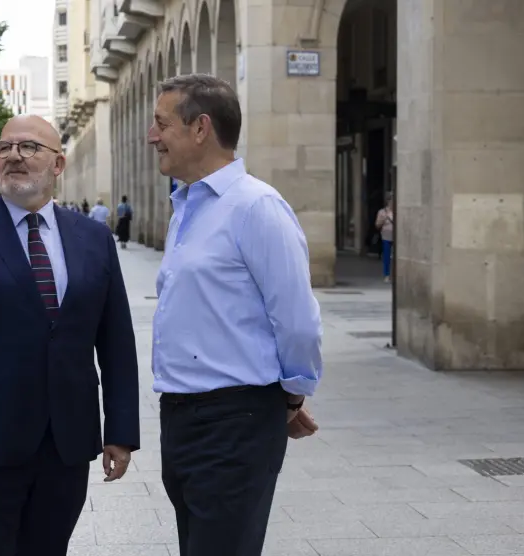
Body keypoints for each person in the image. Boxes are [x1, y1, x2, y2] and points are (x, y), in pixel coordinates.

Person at [0, 114, 140, 556]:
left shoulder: (94, 239)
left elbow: (116, 343)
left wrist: (120, 431)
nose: (14, 155)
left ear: (58, 165)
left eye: (29, 147)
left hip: (67, 447)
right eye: (4, 147)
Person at [146, 73, 322, 556]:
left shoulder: (256, 207)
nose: (152, 135)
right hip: (181, 416)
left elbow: (297, 320)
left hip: (234, 422)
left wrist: (287, 398)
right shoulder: (186, 207)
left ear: (200, 128)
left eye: (161, 124)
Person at [375, 194, 394, 282]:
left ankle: (395, 274)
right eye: (390, 200)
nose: (392, 202)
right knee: (386, 256)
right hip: (386, 236)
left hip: (396, 237)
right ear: (388, 201)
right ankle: (387, 274)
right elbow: (377, 225)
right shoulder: (382, 212)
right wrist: (383, 219)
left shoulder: (397, 211)